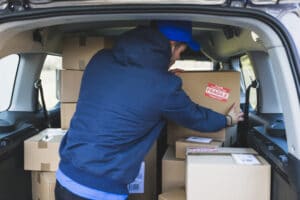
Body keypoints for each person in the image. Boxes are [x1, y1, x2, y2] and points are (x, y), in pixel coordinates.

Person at [55, 20, 244, 200]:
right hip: (100, 190)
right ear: (171, 45)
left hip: (65, 175)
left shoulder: (100, 58)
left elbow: (124, 91)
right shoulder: (164, 87)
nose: (178, 58)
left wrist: (161, 79)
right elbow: (195, 117)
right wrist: (227, 119)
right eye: (181, 51)